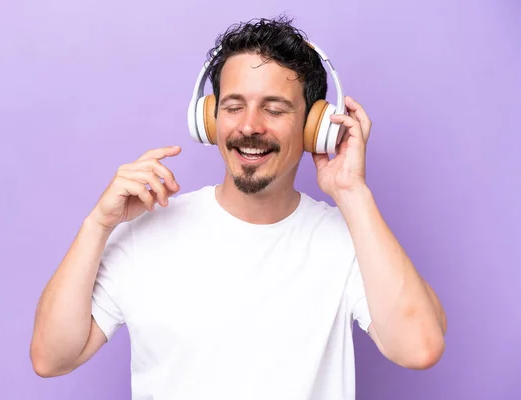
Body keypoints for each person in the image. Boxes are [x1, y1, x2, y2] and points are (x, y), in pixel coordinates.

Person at [30, 16, 447, 400]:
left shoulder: (349, 239)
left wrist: (352, 192)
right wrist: (97, 225)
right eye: (233, 106)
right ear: (209, 120)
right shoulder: (144, 232)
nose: (249, 126)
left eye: (274, 108)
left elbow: (419, 346)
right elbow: (51, 358)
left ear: (314, 127)